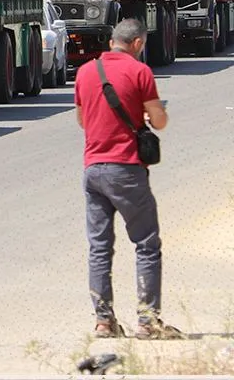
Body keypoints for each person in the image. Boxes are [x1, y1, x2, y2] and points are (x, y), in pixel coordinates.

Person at [73, 18, 183, 340]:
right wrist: (150, 115)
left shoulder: (84, 72)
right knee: (147, 245)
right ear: (137, 43)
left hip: (93, 170)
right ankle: (148, 323)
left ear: (112, 43)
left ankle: (104, 323)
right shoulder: (140, 72)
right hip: (127, 170)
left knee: (99, 248)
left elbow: (83, 120)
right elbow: (159, 122)